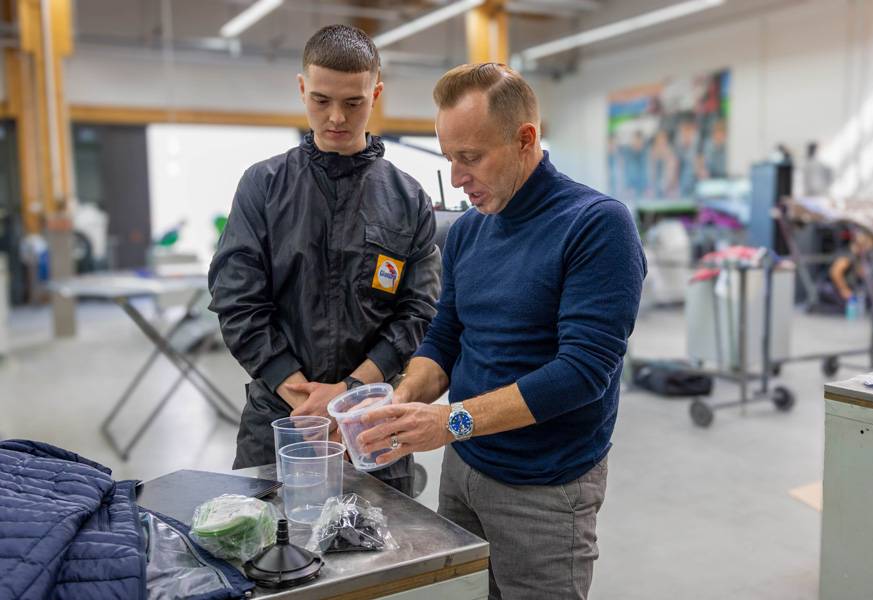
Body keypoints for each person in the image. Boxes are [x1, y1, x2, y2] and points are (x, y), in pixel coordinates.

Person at [356, 63, 646, 599]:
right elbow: (446, 335)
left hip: (544, 486)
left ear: (525, 139)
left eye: (471, 157)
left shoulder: (597, 225)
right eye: (449, 159)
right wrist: (401, 401)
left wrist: (451, 421)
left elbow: (581, 373)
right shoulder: (468, 229)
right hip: (465, 466)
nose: (458, 177)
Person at [208, 24, 441, 495]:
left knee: (384, 556)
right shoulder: (263, 186)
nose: (336, 117)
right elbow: (237, 302)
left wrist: (349, 392)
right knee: (260, 550)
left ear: (375, 94)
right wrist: (304, 397)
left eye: (353, 102)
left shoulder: (407, 197)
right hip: (279, 417)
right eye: (320, 100)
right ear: (301, 90)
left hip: (371, 421)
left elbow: (417, 311)